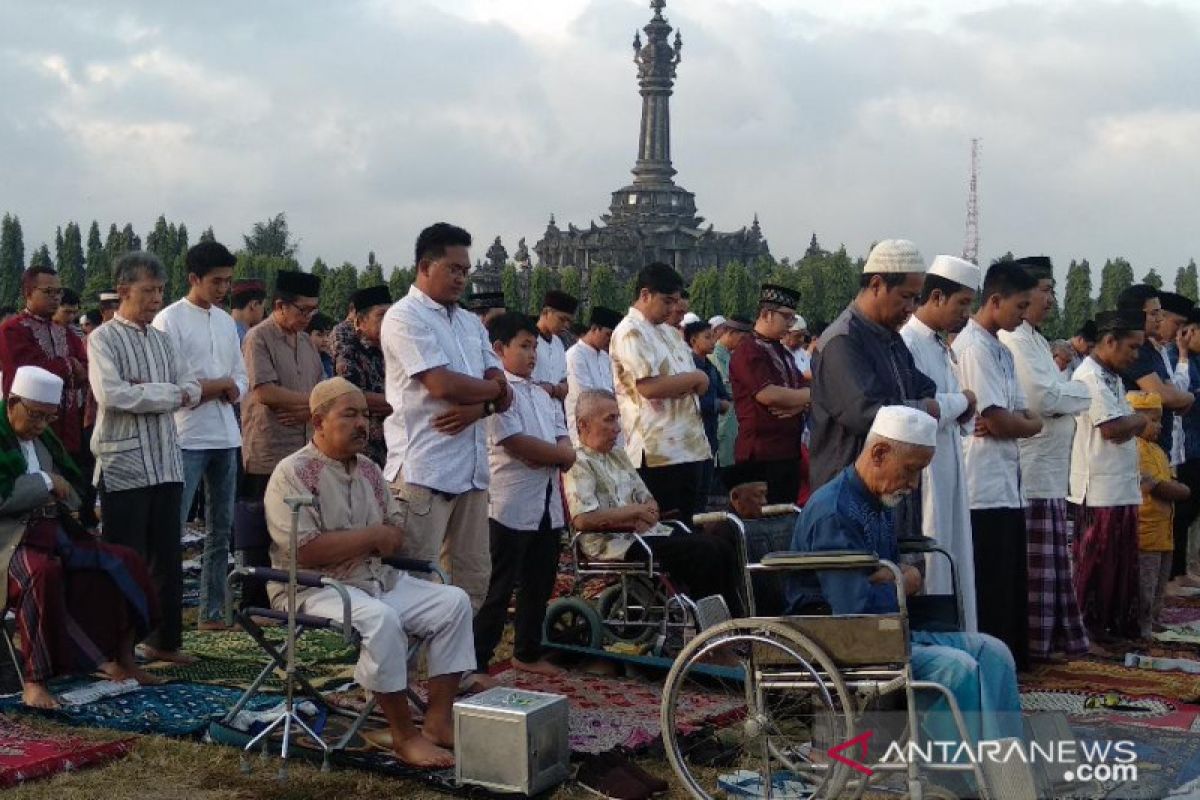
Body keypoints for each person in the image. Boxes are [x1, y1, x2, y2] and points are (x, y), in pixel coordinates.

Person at [264, 378, 474, 769]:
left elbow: (395, 539)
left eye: (366, 414)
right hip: (313, 588)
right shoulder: (292, 474)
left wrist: (369, 540)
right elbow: (306, 551)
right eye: (350, 414)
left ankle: (437, 722)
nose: (364, 423)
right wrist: (372, 537)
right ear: (319, 421)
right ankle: (403, 736)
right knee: (382, 619)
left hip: (373, 580)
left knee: (453, 602)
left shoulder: (370, 470)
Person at [785, 405, 1022, 745]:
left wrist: (889, 576)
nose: (913, 484)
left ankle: (1005, 766)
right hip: (843, 637)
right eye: (910, 470)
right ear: (879, 453)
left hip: (889, 627)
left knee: (994, 652)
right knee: (958, 669)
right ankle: (960, 778)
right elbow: (853, 606)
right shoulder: (835, 511)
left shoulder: (876, 498)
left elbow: (877, 576)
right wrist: (902, 580)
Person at [1, 366, 161, 709]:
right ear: (12, 402)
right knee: (41, 574)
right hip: (9, 540)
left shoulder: (44, 439)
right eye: (35, 416)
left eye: (49, 417)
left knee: (122, 562)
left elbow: (73, 491)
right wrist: (44, 483)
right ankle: (34, 681)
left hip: (52, 530)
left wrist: (55, 488)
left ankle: (123, 658)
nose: (42, 425)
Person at [381, 222, 512, 614]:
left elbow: (503, 388)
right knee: (414, 585)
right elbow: (440, 384)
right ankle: (404, 674)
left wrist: (481, 406)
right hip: (425, 471)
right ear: (425, 266)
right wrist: (494, 393)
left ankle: (453, 672)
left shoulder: (470, 322)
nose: (461, 278)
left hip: (472, 471)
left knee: (472, 583)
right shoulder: (405, 317)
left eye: (465, 271)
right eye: (454, 269)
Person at [89, 251, 199, 665]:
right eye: (148, 291)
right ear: (123, 291)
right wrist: (166, 393)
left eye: (159, 291)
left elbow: (190, 388)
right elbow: (112, 395)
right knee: (124, 559)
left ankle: (163, 642)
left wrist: (150, 391)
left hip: (167, 460)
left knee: (167, 559)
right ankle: (115, 654)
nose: (156, 299)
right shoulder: (102, 338)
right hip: (125, 466)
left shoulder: (163, 339)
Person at [564, 390, 743, 617]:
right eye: (610, 419)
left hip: (645, 533)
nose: (617, 427)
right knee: (704, 553)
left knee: (721, 547)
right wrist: (635, 513)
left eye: (618, 418)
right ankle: (712, 629)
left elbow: (648, 501)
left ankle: (735, 622)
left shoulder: (618, 456)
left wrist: (646, 513)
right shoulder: (577, 461)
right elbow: (583, 519)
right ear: (583, 424)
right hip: (614, 543)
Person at [810, 239, 938, 541]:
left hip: (888, 493)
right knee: (865, 582)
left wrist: (914, 405)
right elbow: (868, 415)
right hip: (848, 496)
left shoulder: (891, 340)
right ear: (877, 284)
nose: (911, 309)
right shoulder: (843, 341)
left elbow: (925, 386)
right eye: (906, 297)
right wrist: (923, 409)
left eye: (916, 299)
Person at [998, 256, 1091, 662]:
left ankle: (1049, 642)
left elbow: (1058, 396)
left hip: (1051, 470)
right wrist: (1079, 396)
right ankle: (1035, 647)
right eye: (1046, 290)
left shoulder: (1035, 339)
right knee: (1036, 569)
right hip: (1032, 470)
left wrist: (1070, 397)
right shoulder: (1016, 340)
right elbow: (1044, 398)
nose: (1051, 300)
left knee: (1051, 564)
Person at [152, 240, 247, 632]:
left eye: (227, 281)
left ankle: (211, 613)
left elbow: (241, 377)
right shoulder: (169, 320)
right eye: (216, 281)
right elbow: (174, 385)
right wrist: (216, 385)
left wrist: (227, 386)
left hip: (226, 436)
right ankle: (165, 619)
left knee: (221, 530)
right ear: (194, 279)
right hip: (186, 437)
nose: (223, 289)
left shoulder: (226, 321)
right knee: (172, 530)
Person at [473, 313, 575, 679]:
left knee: (539, 582)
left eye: (534, 346)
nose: (532, 354)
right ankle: (478, 660)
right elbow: (516, 444)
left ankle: (527, 651)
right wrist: (562, 456)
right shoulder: (501, 395)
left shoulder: (543, 393)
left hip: (547, 501)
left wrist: (563, 453)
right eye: (524, 346)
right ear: (499, 350)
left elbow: (563, 436)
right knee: (498, 587)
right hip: (509, 504)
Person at [952, 261, 1042, 670]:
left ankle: (1011, 661)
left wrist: (1016, 424)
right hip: (981, 484)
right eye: (1020, 306)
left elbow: (1025, 417)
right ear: (995, 300)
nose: (1023, 316)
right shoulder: (972, 347)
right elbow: (1000, 419)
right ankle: (992, 663)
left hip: (1008, 480)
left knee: (1009, 578)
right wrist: (1014, 423)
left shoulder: (1002, 350)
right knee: (990, 580)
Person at [899, 255, 980, 632]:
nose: (966, 313)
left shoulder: (938, 345)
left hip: (950, 461)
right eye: (961, 303)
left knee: (954, 552)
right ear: (935, 296)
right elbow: (918, 410)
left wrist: (962, 407)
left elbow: (953, 409)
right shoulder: (908, 341)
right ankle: (935, 636)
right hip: (926, 468)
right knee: (932, 555)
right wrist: (962, 402)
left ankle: (958, 634)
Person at [1069, 309, 1149, 649]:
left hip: (1119, 486)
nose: (1135, 356)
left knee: (1120, 568)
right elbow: (1113, 429)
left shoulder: (1112, 377)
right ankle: (1089, 635)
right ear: (1109, 341)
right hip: (1098, 490)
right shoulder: (1089, 377)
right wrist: (1141, 419)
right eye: (1131, 347)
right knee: (1096, 569)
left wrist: (1133, 419)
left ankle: (1113, 632)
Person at [609, 263, 711, 524]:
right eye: (667, 301)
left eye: (675, 302)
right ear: (645, 295)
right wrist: (696, 378)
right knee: (667, 529)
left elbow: (686, 385)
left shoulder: (670, 333)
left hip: (690, 445)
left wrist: (688, 382)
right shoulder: (630, 331)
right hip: (657, 450)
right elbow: (649, 387)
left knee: (691, 525)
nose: (672, 309)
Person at [240, 270, 326, 502]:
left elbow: (323, 391)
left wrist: (312, 410)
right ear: (280, 305)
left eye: (313, 310)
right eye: (303, 310)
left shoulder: (307, 342)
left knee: (301, 529)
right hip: (269, 453)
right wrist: (314, 403)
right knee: (261, 529)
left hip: (307, 452)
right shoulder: (258, 337)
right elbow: (264, 392)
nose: (309, 316)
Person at [0, 266, 89, 471]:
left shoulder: (65, 333)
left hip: (68, 431)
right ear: (28, 293)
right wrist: (69, 365)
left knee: (70, 495)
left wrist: (73, 368)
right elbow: (32, 372)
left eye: (58, 292)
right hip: (28, 430)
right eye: (48, 292)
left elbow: (85, 371)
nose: (56, 297)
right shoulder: (13, 329)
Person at [730, 284, 810, 504]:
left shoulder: (782, 352)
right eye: (787, 318)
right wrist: (810, 397)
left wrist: (799, 401)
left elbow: (798, 389)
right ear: (766, 314)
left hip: (788, 452)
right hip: (760, 455)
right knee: (763, 523)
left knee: (786, 518)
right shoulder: (748, 350)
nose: (790, 324)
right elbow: (768, 395)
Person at [1128, 391, 1189, 639]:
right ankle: (1141, 626)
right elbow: (1160, 487)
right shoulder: (1135, 449)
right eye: (1153, 420)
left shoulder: (1157, 451)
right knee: (1145, 583)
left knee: (1159, 584)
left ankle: (1153, 619)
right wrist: (1182, 490)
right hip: (1146, 531)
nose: (1159, 425)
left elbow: (1168, 482)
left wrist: (1178, 488)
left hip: (1164, 530)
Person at [1118, 285, 1194, 458]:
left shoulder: (1152, 349)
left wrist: (1180, 397)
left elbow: (1171, 390)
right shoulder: (1133, 351)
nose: (1160, 319)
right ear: (1134, 314)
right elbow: (1163, 395)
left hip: (1161, 449)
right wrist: (1189, 397)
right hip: (1139, 452)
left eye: (1160, 313)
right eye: (1154, 314)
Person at [334, 285, 394, 468]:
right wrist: (407, 403)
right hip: (366, 451)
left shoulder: (397, 348)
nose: (389, 321)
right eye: (381, 315)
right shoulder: (349, 350)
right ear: (360, 321)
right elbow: (355, 396)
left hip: (399, 448)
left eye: (391, 315)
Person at [684, 319, 730, 503]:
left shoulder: (710, 367)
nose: (713, 341)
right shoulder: (687, 366)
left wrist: (722, 402)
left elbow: (724, 395)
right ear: (693, 340)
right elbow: (689, 401)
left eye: (713, 336)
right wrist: (717, 405)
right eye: (707, 337)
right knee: (693, 488)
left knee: (705, 487)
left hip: (709, 433)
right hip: (692, 435)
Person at [564, 306, 622, 445]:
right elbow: (585, 396)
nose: (610, 340)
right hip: (586, 429)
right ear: (594, 328)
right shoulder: (574, 355)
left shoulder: (605, 357)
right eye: (608, 335)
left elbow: (615, 388)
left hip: (609, 425)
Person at [710, 315, 752, 486]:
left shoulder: (730, 355)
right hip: (723, 420)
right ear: (730, 333)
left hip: (733, 421)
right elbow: (728, 388)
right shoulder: (715, 356)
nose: (743, 344)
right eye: (742, 339)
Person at [531, 290, 577, 402]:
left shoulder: (558, 344)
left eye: (569, 321)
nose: (566, 325)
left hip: (555, 411)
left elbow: (566, 383)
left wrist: (554, 390)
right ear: (546, 313)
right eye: (562, 319)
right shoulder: (529, 340)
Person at [230, 279, 266, 346]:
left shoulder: (221, 329)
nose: (263, 311)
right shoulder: (248, 339)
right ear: (254, 305)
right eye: (263, 307)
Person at [782, 315, 812, 379]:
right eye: (797, 336)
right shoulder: (780, 354)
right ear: (785, 334)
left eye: (803, 335)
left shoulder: (801, 352)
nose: (801, 339)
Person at [307, 313, 336, 379]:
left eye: (327, 335)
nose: (326, 340)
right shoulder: (304, 361)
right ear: (306, 335)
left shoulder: (329, 361)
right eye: (320, 335)